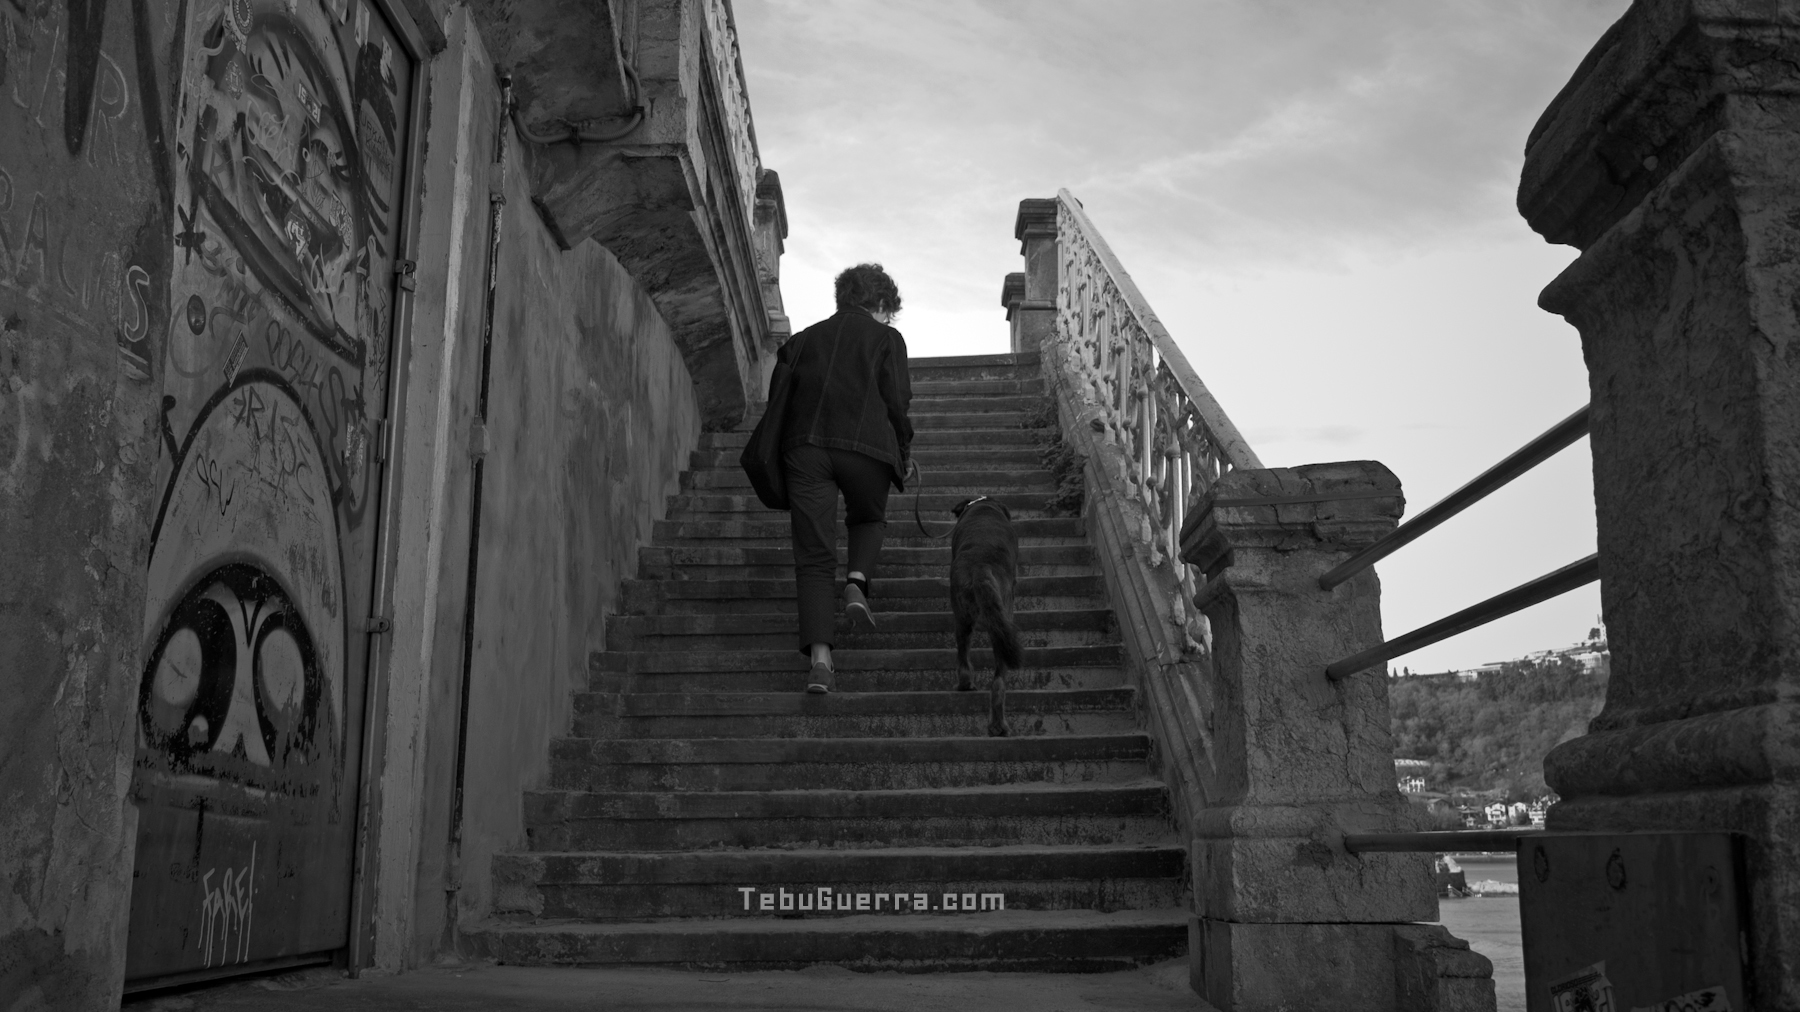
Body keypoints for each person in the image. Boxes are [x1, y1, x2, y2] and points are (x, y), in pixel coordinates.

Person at [778, 263, 913, 693]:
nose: (887, 319)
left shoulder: (802, 340)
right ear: (879, 304)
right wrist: (903, 452)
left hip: (805, 449)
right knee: (868, 517)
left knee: (813, 557)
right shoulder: (887, 339)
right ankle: (856, 582)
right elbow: (898, 401)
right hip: (866, 447)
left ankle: (821, 663)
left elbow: (780, 398)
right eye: (887, 311)